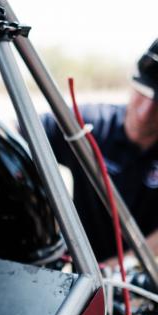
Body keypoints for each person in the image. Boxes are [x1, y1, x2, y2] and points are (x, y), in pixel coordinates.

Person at [41, 39, 158, 262]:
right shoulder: (88, 125)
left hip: (139, 278)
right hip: (79, 272)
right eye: (143, 92)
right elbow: (12, 135)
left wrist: (126, 265)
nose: (145, 113)